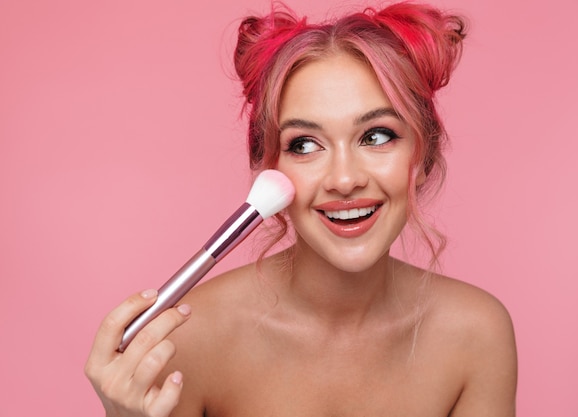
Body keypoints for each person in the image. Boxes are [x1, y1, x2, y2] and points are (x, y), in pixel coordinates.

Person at [85, 2, 518, 416]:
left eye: (377, 136)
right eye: (304, 145)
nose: (345, 179)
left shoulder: (476, 335)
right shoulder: (187, 340)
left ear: (422, 156)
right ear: (268, 168)